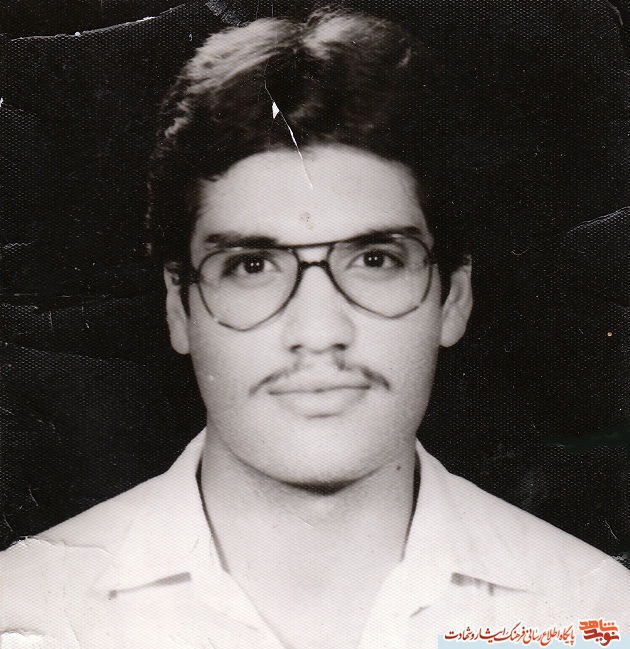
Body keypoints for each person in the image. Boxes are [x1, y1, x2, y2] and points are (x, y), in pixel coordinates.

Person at [1, 7, 629, 649]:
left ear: (453, 297)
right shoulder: (22, 614)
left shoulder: (599, 615)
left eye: (375, 260)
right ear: (178, 306)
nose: (319, 330)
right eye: (252, 265)